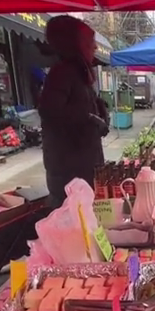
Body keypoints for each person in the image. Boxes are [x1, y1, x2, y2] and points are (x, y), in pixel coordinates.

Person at [38, 15, 109, 208]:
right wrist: (89, 118)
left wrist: (99, 108)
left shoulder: (79, 72)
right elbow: (50, 112)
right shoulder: (61, 73)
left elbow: (78, 106)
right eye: (90, 42)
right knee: (75, 219)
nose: (94, 47)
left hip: (83, 162)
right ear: (75, 44)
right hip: (68, 171)